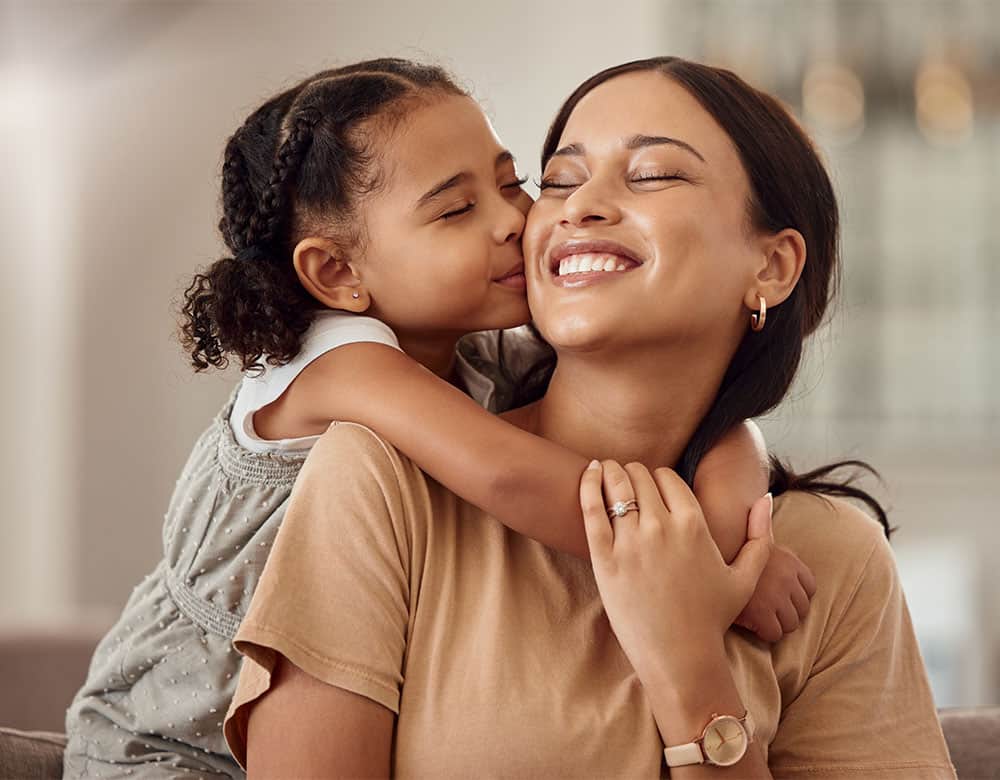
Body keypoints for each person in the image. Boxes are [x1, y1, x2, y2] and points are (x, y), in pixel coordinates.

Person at [63, 58, 807, 779]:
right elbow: (513, 475)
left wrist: (732, 489)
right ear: (338, 273)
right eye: (456, 209)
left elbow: (704, 417)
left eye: (513, 182)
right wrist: (696, 558)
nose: (515, 221)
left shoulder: (479, 356)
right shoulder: (340, 366)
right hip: (165, 746)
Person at [224, 57, 957, 778]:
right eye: (562, 180)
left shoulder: (833, 560)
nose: (575, 207)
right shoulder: (380, 477)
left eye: (654, 174)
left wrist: (691, 675)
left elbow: (726, 431)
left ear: (771, 266)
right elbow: (506, 472)